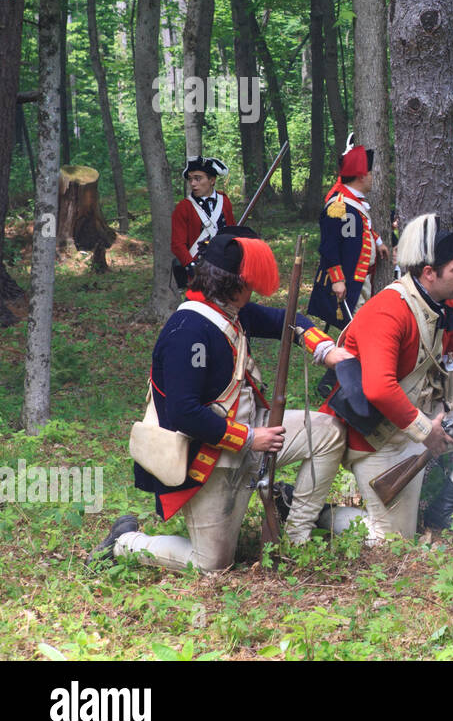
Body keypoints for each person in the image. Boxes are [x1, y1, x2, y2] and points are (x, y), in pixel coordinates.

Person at [90, 227, 352, 572]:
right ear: (233, 284)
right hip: (211, 457)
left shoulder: (231, 310)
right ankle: (126, 543)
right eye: (250, 282)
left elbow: (288, 320)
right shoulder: (188, 331)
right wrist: (251, 438)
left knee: (328, 431)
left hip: (252, 434)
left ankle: (297, 533)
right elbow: (185, 413)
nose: (254, 289)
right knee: (211, 566)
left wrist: (326, 349)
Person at [319, 213, 453, 540]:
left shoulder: (445, 305)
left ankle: (444, 506)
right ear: (429, 273)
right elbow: (379, 389)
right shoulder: (388, 309)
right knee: (392, 541)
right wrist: (426, 432)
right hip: (378, 432)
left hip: (425, 412)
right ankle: (320, 514)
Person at [307, 138, 389, 331]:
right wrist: (337, 280)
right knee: (358, 331)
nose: (372, 177)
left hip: (361, 281)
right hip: (349, 281)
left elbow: (357, 230)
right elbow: (329, 246)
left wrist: (376, 241)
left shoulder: (354, 203)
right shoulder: (339, 206)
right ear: (361, 175)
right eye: (370, 173)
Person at [169, 156, 235, 289]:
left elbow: (232, 231)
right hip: (199, 270)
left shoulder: (224, 201)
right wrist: (191, 268)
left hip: (225, 267)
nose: (193, 183)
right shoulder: (184, 207)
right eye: (191, 179)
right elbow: (177, 244)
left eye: (198, 178)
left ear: (212, 180)